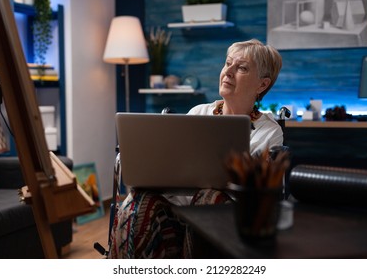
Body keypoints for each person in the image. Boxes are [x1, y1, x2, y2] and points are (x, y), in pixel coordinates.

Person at [108, 38, 283, 259]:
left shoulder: (269, 132)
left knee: (208, 198)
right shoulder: (198, 113)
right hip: (178, 213)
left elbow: (257, 196)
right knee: (137, 201)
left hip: (229, 222)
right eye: (227, 63)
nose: (228, 71)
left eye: (242, 68)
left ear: (262, 84)